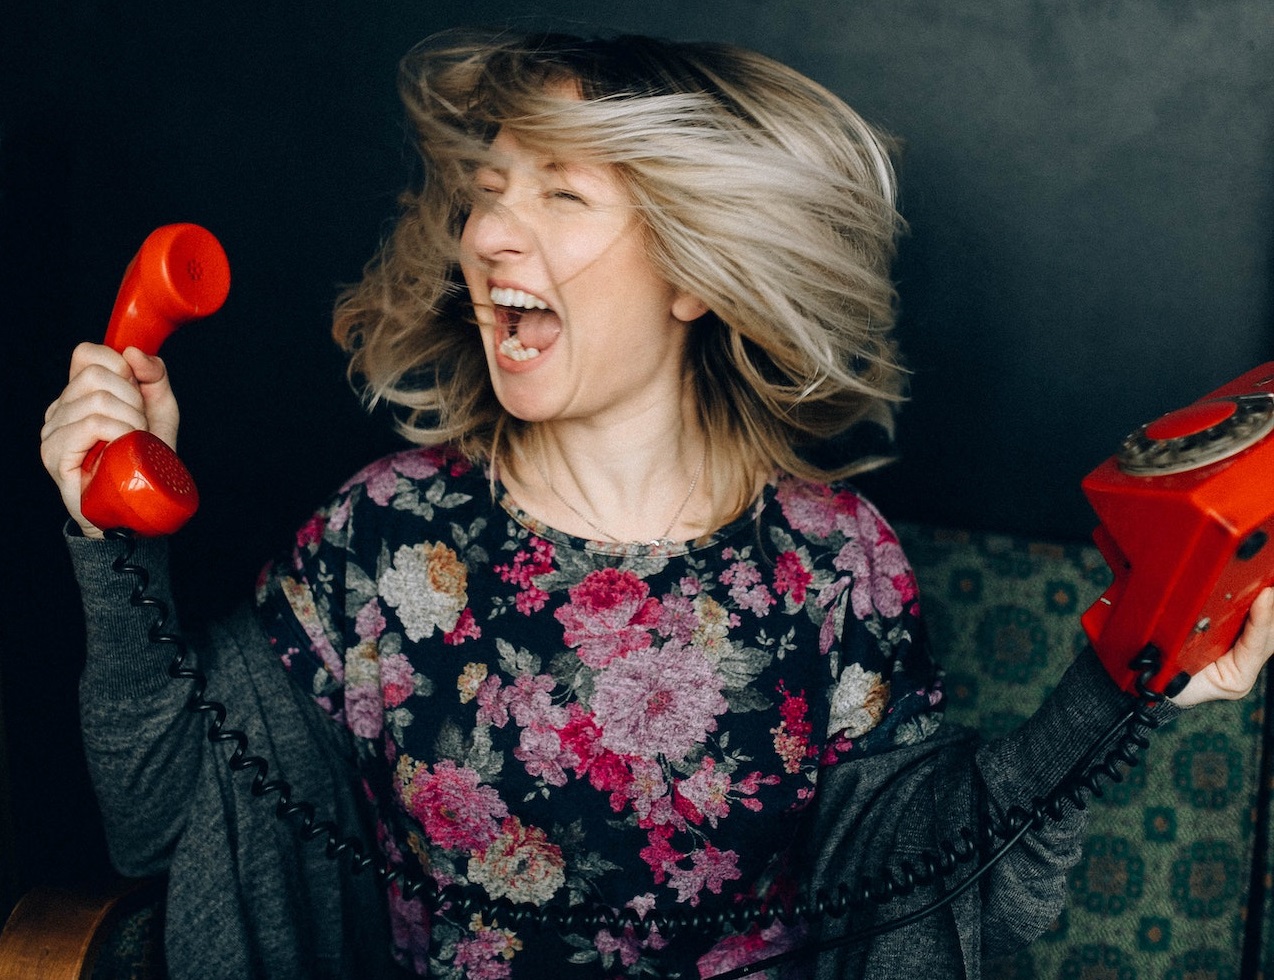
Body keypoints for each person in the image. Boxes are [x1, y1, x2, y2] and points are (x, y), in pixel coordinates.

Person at [40, 28, 1274, 980]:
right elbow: (164, 825)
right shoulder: (383, 532)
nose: (490, 231)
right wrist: (115, 536)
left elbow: (937, 880)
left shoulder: (830, 562)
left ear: (693, 271)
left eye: (560, 195)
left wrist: (1121, 681)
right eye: (488, 188)